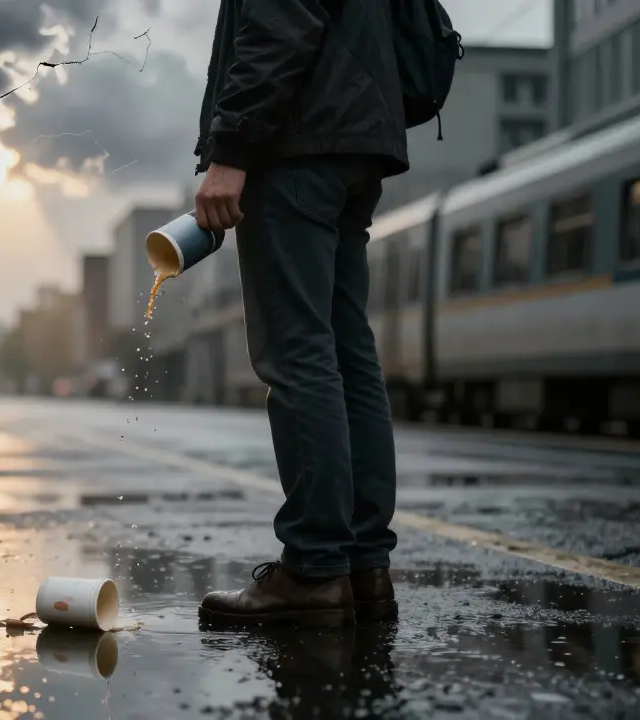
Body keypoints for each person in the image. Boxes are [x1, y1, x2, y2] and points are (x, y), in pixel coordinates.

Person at [193, 0, 407, 627]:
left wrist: (231, 151)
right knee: (345, 352)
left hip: (298, 142)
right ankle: (363, 568)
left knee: (299, 353)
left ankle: (314, 570)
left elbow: (281, 23)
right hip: (359, 138)